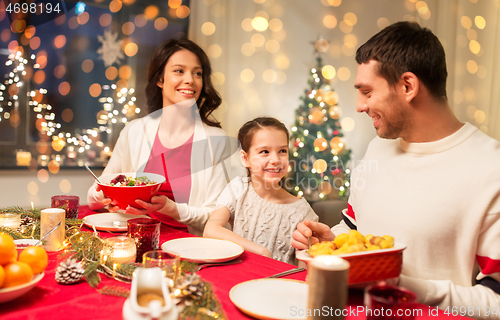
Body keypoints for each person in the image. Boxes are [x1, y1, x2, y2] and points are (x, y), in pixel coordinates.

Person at [292, 21, 500, 318]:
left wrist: (404, 288)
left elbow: (496, 301)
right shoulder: (378, 148)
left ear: (407, 86)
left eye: (367, 91)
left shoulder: (492, 170)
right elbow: (353, 229)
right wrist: (333, 243)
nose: (359, 106)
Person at [87, 39, 238, 236]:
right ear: (160, 79)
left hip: (192, 247)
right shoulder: (134, 131)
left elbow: (219, 218)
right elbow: (94, 195)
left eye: (197, 73)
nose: (190, 79)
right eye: (179, 71)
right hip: (138, 240)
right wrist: (109, 197)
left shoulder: (216, 142)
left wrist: (169, 208)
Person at [204, 117, 318, 264]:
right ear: (245, 158)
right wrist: (261, 251)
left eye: (282, 150)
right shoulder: (238, 188)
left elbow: (304, 270)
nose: (275, 159)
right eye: (265, 151)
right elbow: (211, 230)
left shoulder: (302, 211)